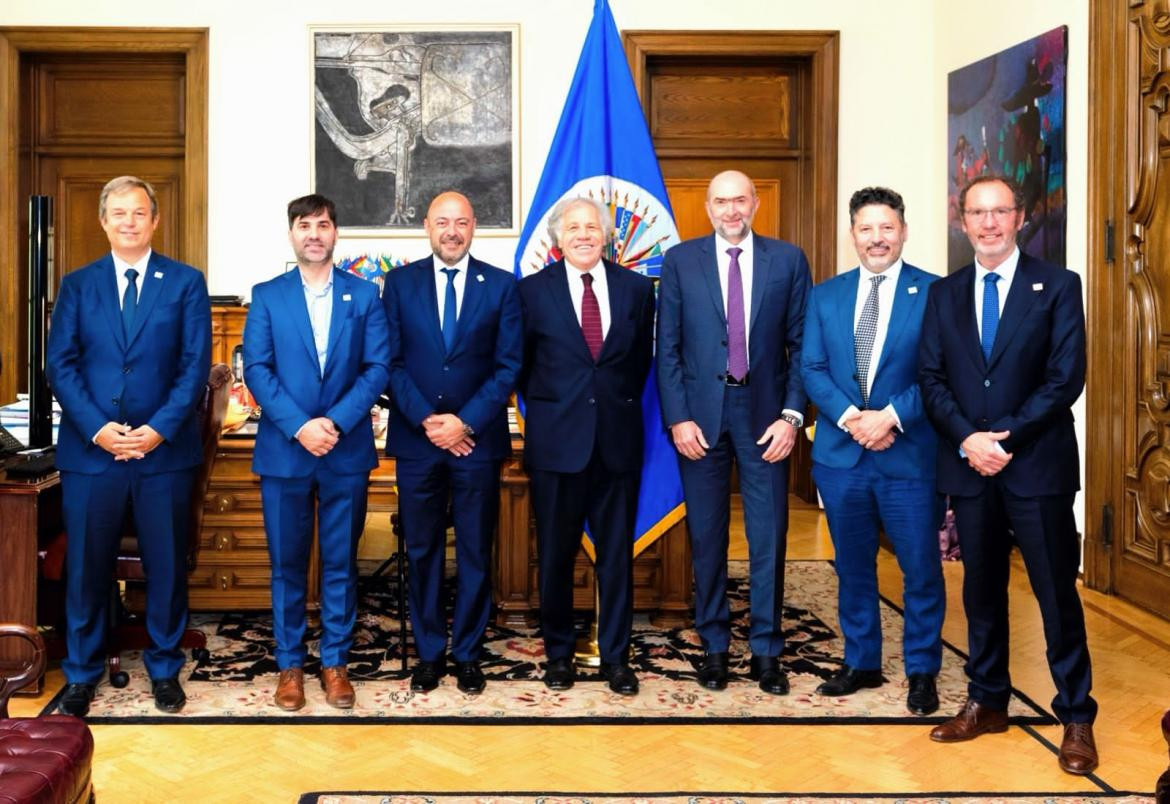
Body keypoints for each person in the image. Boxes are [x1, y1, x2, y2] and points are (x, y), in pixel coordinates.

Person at [920, 175, 1097, 774]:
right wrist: (969, 439)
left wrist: (1006, 438)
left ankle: (1076, 714)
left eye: (1000, 212)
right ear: (962, 222)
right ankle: (987, 700)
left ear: (1020, 218)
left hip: (1036, 467)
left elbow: (1064, 378)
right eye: (977, 213)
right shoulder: (944, 295)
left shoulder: (1058, 286)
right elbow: (932, 379)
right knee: (980, 592)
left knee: (1054, 595)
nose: (989, 223)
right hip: (970, 466)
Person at [47, 175, 211, 716]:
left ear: (155, 220)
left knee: (165, 565)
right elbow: (61, 366)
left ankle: (165, 668)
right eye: (118, 213)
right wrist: (98, 428)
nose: (128, 222)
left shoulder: (185, 283)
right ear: (103, 221)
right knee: (87, 568)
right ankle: (81, 673)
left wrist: (158, 428)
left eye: (138, 213)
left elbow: (192, 368)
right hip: (92, 453)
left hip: (162, 452)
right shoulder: (77, 285)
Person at [657, 169, 811, 694]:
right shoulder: (680, 261)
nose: (730, 211)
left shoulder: (788, 261)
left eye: (739, 200)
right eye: (720, 202)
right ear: (706, 207)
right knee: (707, 537)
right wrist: (677, 417)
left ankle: (767, 650)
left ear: (756, 203)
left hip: (765, 418)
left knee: (769, 537)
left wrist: (792, 416)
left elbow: (801, 349)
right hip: (699, 419)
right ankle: (715, 645)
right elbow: (668, 349)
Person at [800, 186, 945, 715]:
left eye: (887, 227)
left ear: (903, 231)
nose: (877, 238)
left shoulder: (935, 293)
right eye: (866, 228)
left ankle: (922, 669)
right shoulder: (825, 295)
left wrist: (889, 417)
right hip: (842, 458)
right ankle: (862, 661)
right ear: (853, 234)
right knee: (852, 565)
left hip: (908, 458)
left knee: (920, 568)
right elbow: (812, 368)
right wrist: (852, 419)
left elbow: (940, 372)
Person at [244, 194, 390, 711]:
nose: (313, 234)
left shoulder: (365, 295)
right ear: (291, 234)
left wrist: (334, 422)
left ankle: (334, 663)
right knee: (286, 565)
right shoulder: (267, 296)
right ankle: (289, 666)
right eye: (304, 225)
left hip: (344, 450)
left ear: (335, 233)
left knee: (339, 562)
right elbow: (257, 370)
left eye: (323, 224)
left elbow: (377, 368)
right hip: (286, 452)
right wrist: (301, 426)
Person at [383, 191, 522, 694]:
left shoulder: (502, 287)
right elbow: (390, 363)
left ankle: (466, 652)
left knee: (474, 552)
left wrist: (464, 422)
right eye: (442, 222)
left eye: (461, 222)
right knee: (420, 549)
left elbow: (508, 365)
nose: (451, 231)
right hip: (419, 443)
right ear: (426, 226)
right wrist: (429, 420)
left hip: (476, 443)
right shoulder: (398, 284)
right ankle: (428, 652)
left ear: (473, 227)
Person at [518, 197, 655, 696]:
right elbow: (524, 368)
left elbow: (638, 366)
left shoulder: (638, 290)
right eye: (573, 227)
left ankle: (616, 657)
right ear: (558, 237)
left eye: (592, 226)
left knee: (616, 555)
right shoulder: (531, 292)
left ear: (608, 234)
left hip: (617, 444)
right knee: (554, 555)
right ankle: (558, 654)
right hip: (557, 447)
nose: (583, 235)